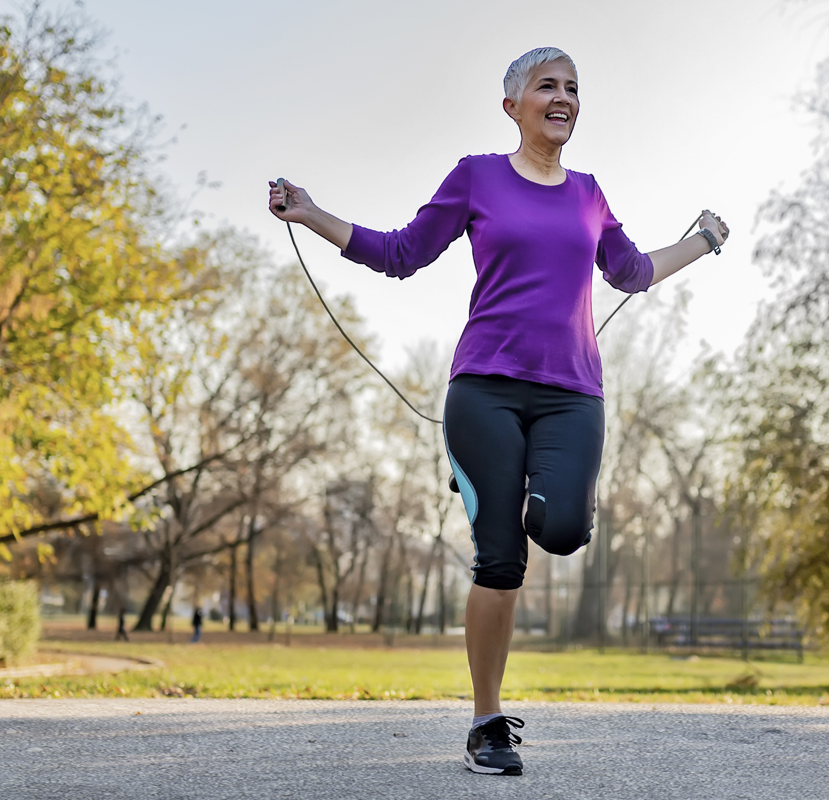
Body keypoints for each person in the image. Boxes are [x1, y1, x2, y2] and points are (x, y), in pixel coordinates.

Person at [268, 47, 728, 776]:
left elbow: (633, 273)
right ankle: (487, 723)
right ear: (512, 104)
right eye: (548, 85)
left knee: (563, 527)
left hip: (573, 393)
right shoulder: (476, 176)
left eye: (574, 88)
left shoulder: (589, 193)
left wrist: (701, 242)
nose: (565, 97)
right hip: (484, 388)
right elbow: (400, 253)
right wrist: (310, 210)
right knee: (501, 557)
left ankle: (552, 485)